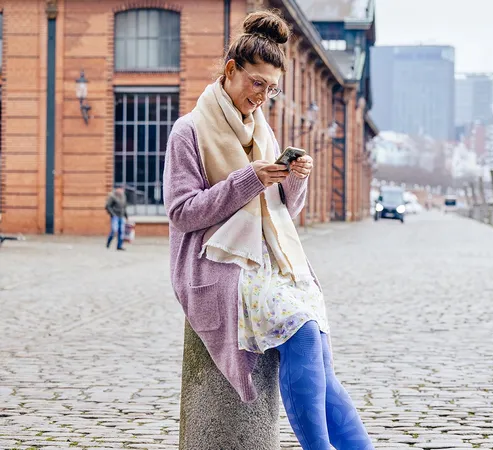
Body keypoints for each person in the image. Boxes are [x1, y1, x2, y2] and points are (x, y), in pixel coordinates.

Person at [162, 9, 373, 450]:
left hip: (269, 260)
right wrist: (250, 179)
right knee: (300, 324)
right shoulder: (189, 131)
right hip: (216, 263)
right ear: (231, 70)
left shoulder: (263, 131)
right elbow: (182, 214)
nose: (262, 96)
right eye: (256, 83)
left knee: (316, 341)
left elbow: (282, 211)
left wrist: (295, 177)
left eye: (271, 89)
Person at [105, 186, 127, 250]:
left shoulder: (123, 196)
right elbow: (107, 206)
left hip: (121, 216)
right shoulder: (112, 196)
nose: (121, 191)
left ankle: (119, 246)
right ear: (117, 189)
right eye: (120, 189)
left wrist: (126, 216)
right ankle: (108, 242)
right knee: (114, 230)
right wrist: (112, 214)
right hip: (115, 216)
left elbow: (124, 207)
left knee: (121, 231)